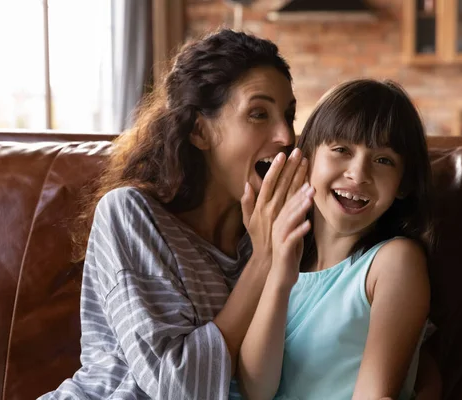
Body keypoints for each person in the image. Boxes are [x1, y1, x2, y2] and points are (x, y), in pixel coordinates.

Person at [39, 29, 312, 400]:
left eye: (289, 115)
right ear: (199, 130)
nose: (285, 135)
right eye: (258, 113)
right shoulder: (130, 215)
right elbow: (177, 388)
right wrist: (263, 260)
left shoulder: (278, 235)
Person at [238, 79, 437, 400]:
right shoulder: (275, 256)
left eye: (383, 160)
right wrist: (279, 275)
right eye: (341, 150)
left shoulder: (394, 262)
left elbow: (374, 395)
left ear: (403, 183)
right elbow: (256, 390)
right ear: (308, 159)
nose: (358, 174)